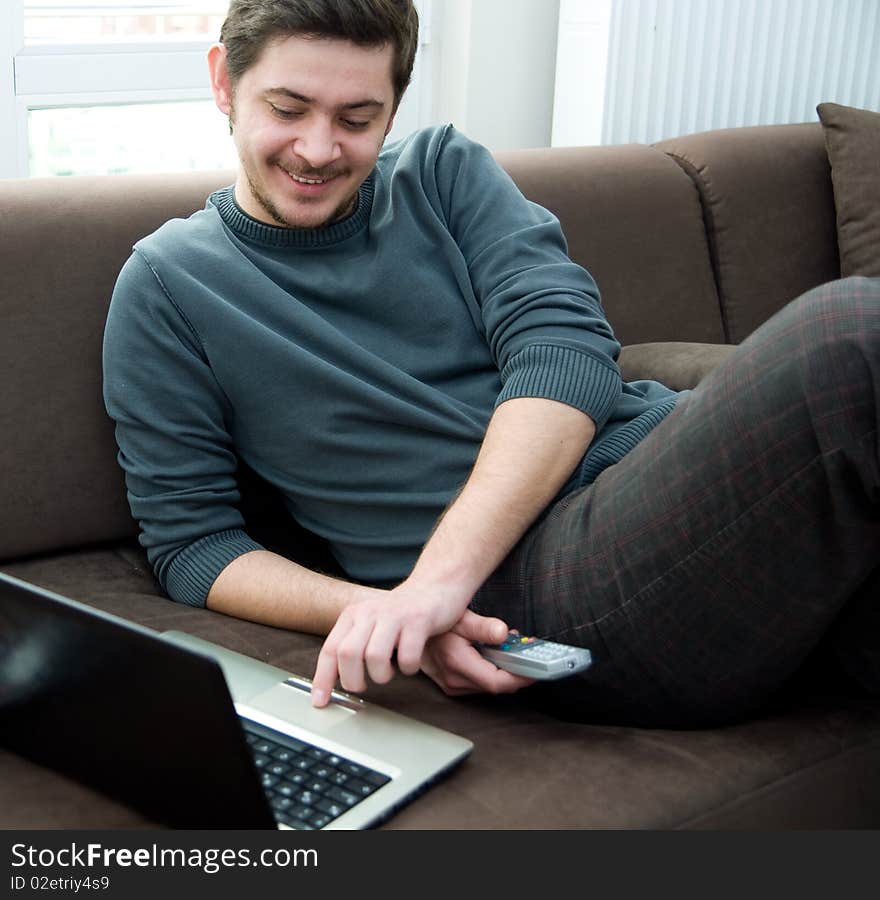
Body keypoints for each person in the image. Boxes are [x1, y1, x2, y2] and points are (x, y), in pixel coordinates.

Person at [103, 0, 880, 728]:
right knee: (848, 330)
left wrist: (434, 582)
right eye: (287, 108)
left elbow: (566, 349)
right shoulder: (170, 285)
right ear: (223, 83)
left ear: (393, 110)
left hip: (663, 487)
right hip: (536, 583)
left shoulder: (442, 171)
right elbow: (194, 546)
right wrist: (401, 609)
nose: (318, 149)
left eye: (357, 117)